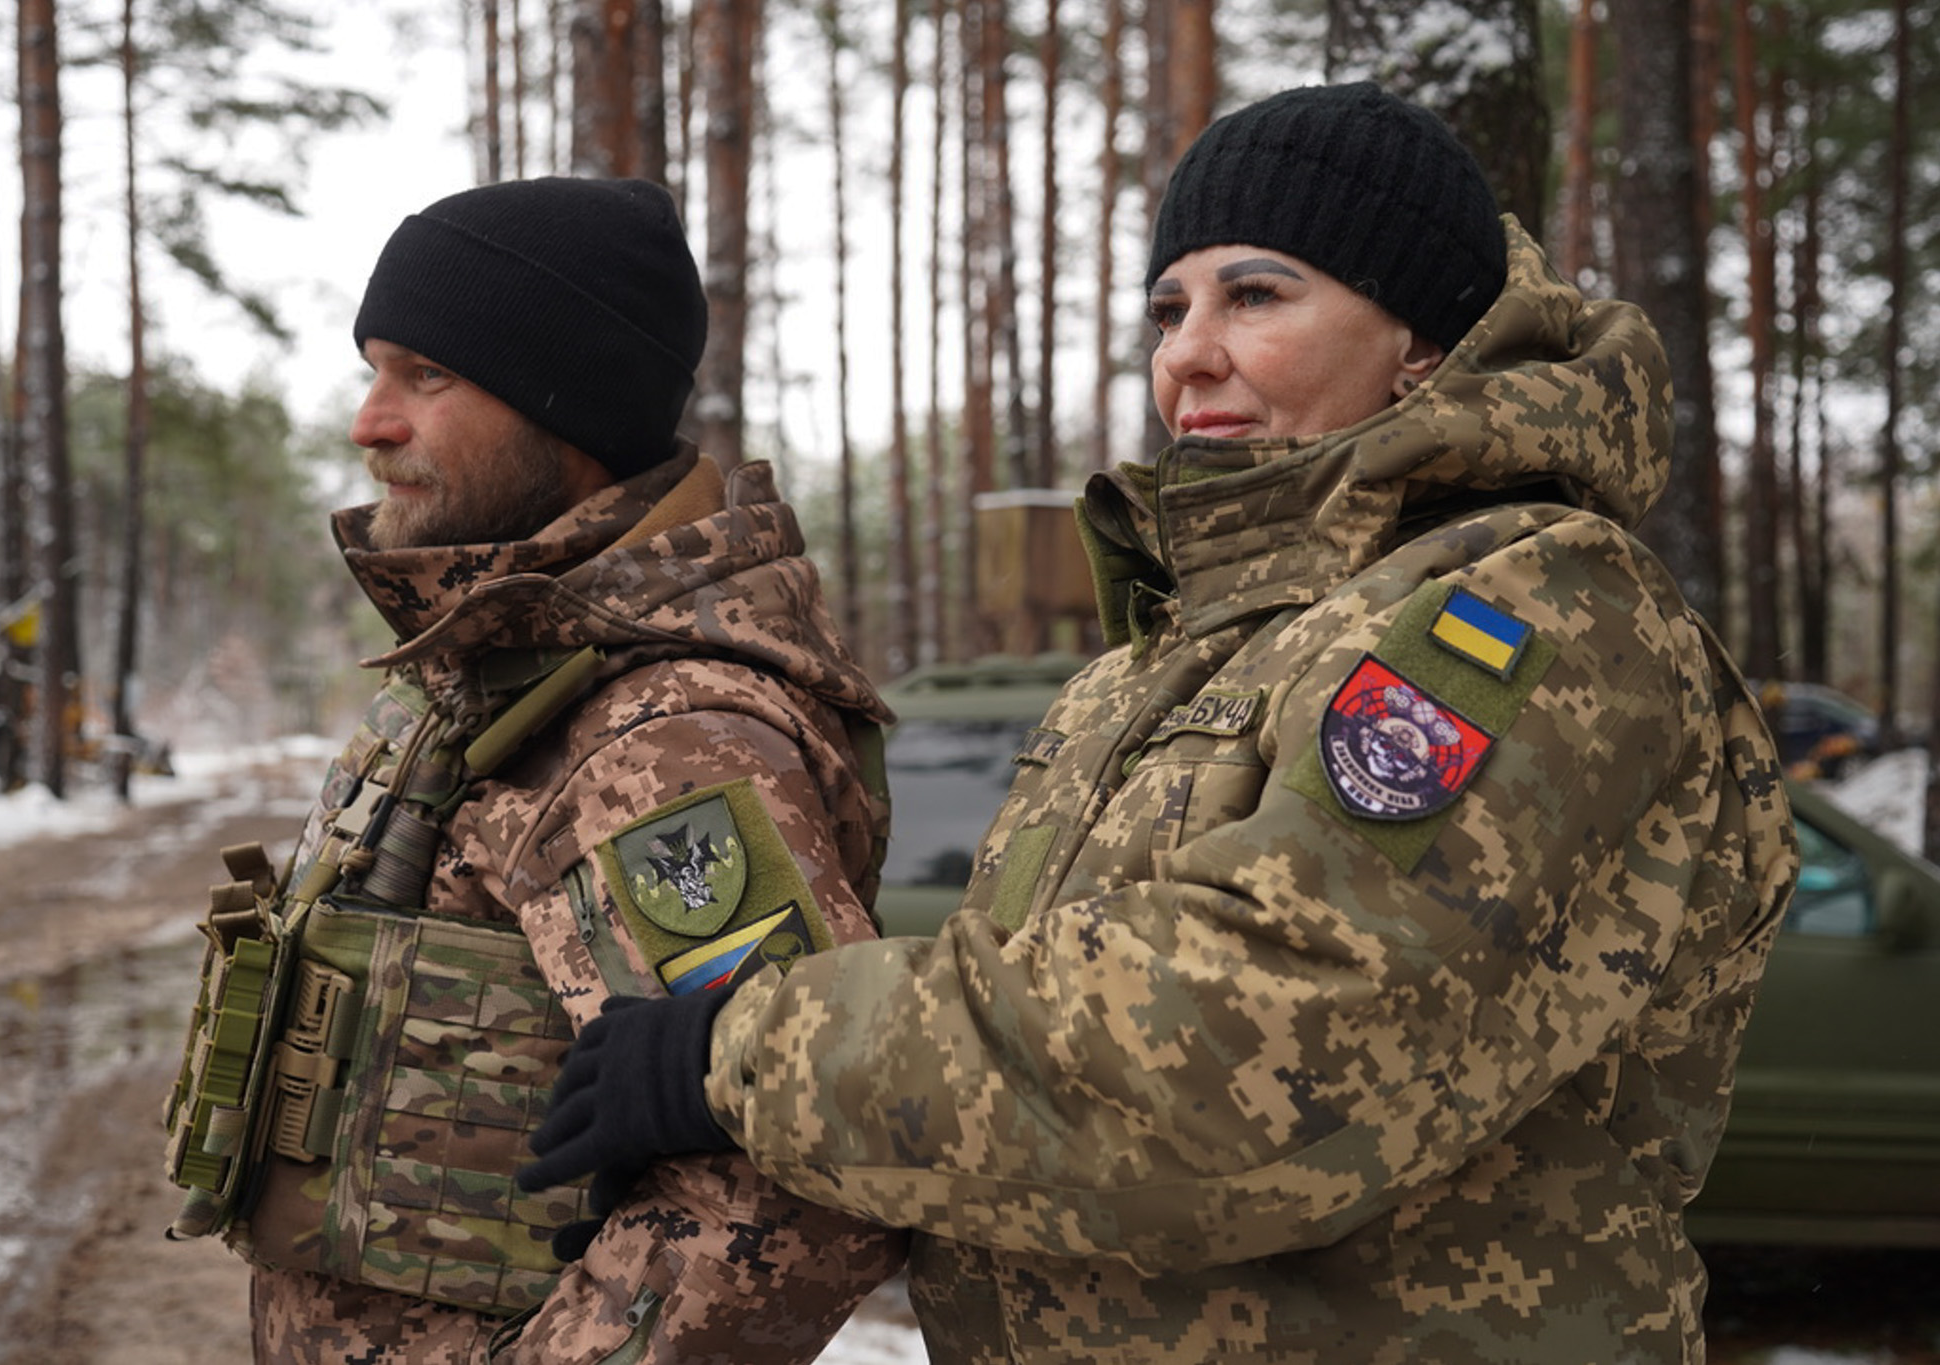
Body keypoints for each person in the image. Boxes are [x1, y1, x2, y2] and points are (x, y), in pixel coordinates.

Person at [516, 83, 1798, 1363]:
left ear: (1421, 338)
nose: (1185, 352)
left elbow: (1262, 1049)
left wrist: (738, 1060)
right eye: (1165, 309)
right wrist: (709, 1174)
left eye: (1255, 295)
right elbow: (1037, 1078)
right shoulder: (1155, 663)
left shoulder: (1529, 609)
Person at [160, 176, 904, 1362]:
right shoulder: (494, 675)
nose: (369, 421)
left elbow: (794, 1188)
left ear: (570, 407)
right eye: (375, 368)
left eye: (427, 375)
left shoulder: (660, 741)